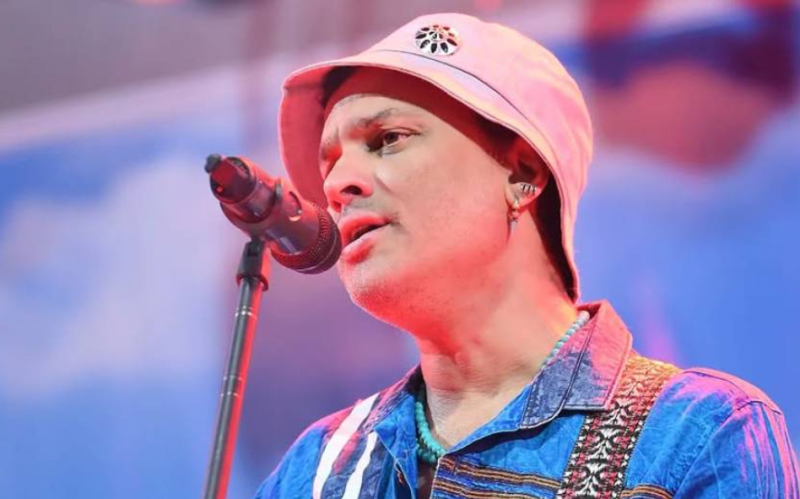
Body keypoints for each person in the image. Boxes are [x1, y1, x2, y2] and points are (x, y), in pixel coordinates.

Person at [255, 12, 800, 499]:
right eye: (330, 163)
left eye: (388, 138)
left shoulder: (696, 435)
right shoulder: (317, 469)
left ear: (523, 173)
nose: (337, 184)